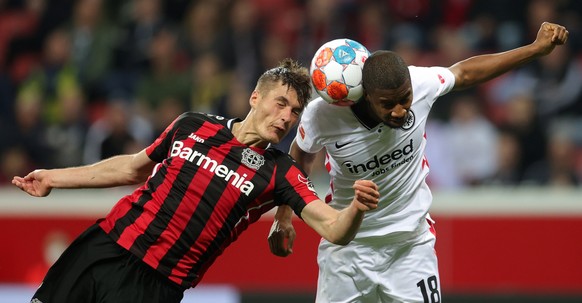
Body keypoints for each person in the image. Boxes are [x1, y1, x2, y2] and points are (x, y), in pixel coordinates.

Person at [12, 58, 380, 303]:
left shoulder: (281, 171)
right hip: (105, 246)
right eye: (280, 103)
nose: (286, 118)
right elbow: (132, 168)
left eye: (295, 112)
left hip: (157, 285)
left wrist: (356, 209)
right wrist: (53, 177)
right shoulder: (193, 124)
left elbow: (333, 229)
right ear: (255, 97)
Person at [268, 22, 568, 303]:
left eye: (405, 99)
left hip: (410, 245)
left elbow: (465, 72)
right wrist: (284, 216)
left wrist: (534, 48)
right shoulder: (322, 116)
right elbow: (301, 157)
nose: (400, 111)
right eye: (388, 104)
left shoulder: (421, 82)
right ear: (365, 96)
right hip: (347, 247)